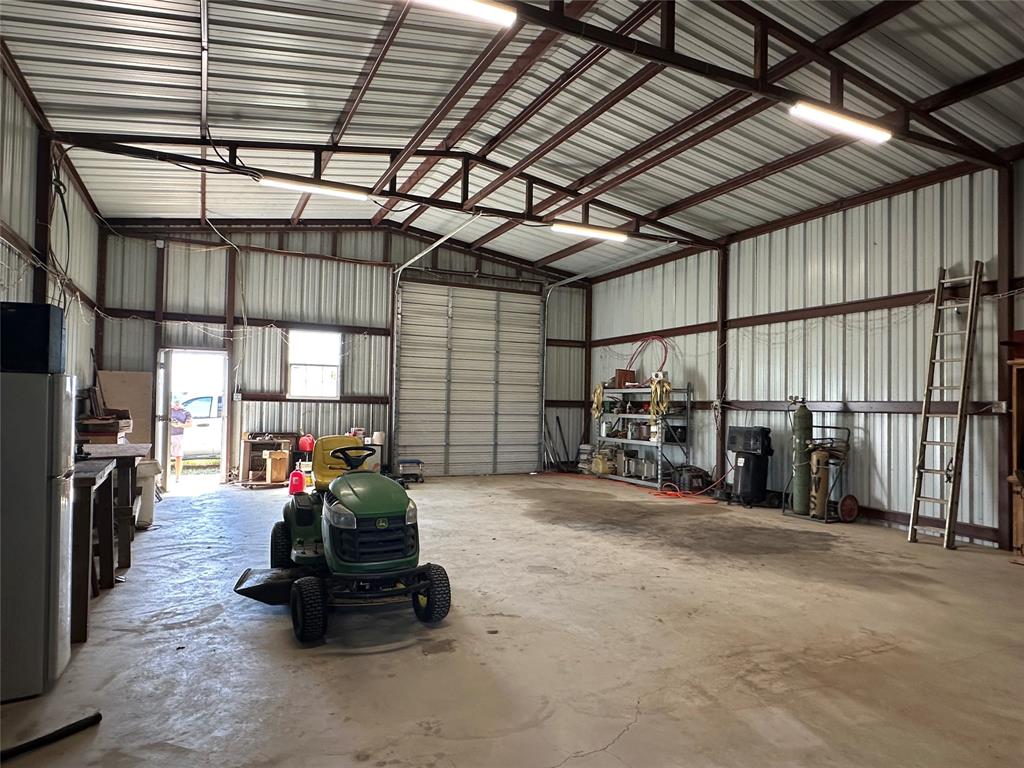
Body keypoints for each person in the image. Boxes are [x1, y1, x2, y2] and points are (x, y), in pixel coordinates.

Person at [169, 397, 193, 482]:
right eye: (175, 402)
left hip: (179, 436)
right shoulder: (168, 410)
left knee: (178, 456)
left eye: (178, 403)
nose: (176, 404)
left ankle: (177, 477)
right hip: (168, 435)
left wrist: (179, 425)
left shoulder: (186, 412)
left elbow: (189, 424)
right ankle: (164, 475)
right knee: (165, 456)